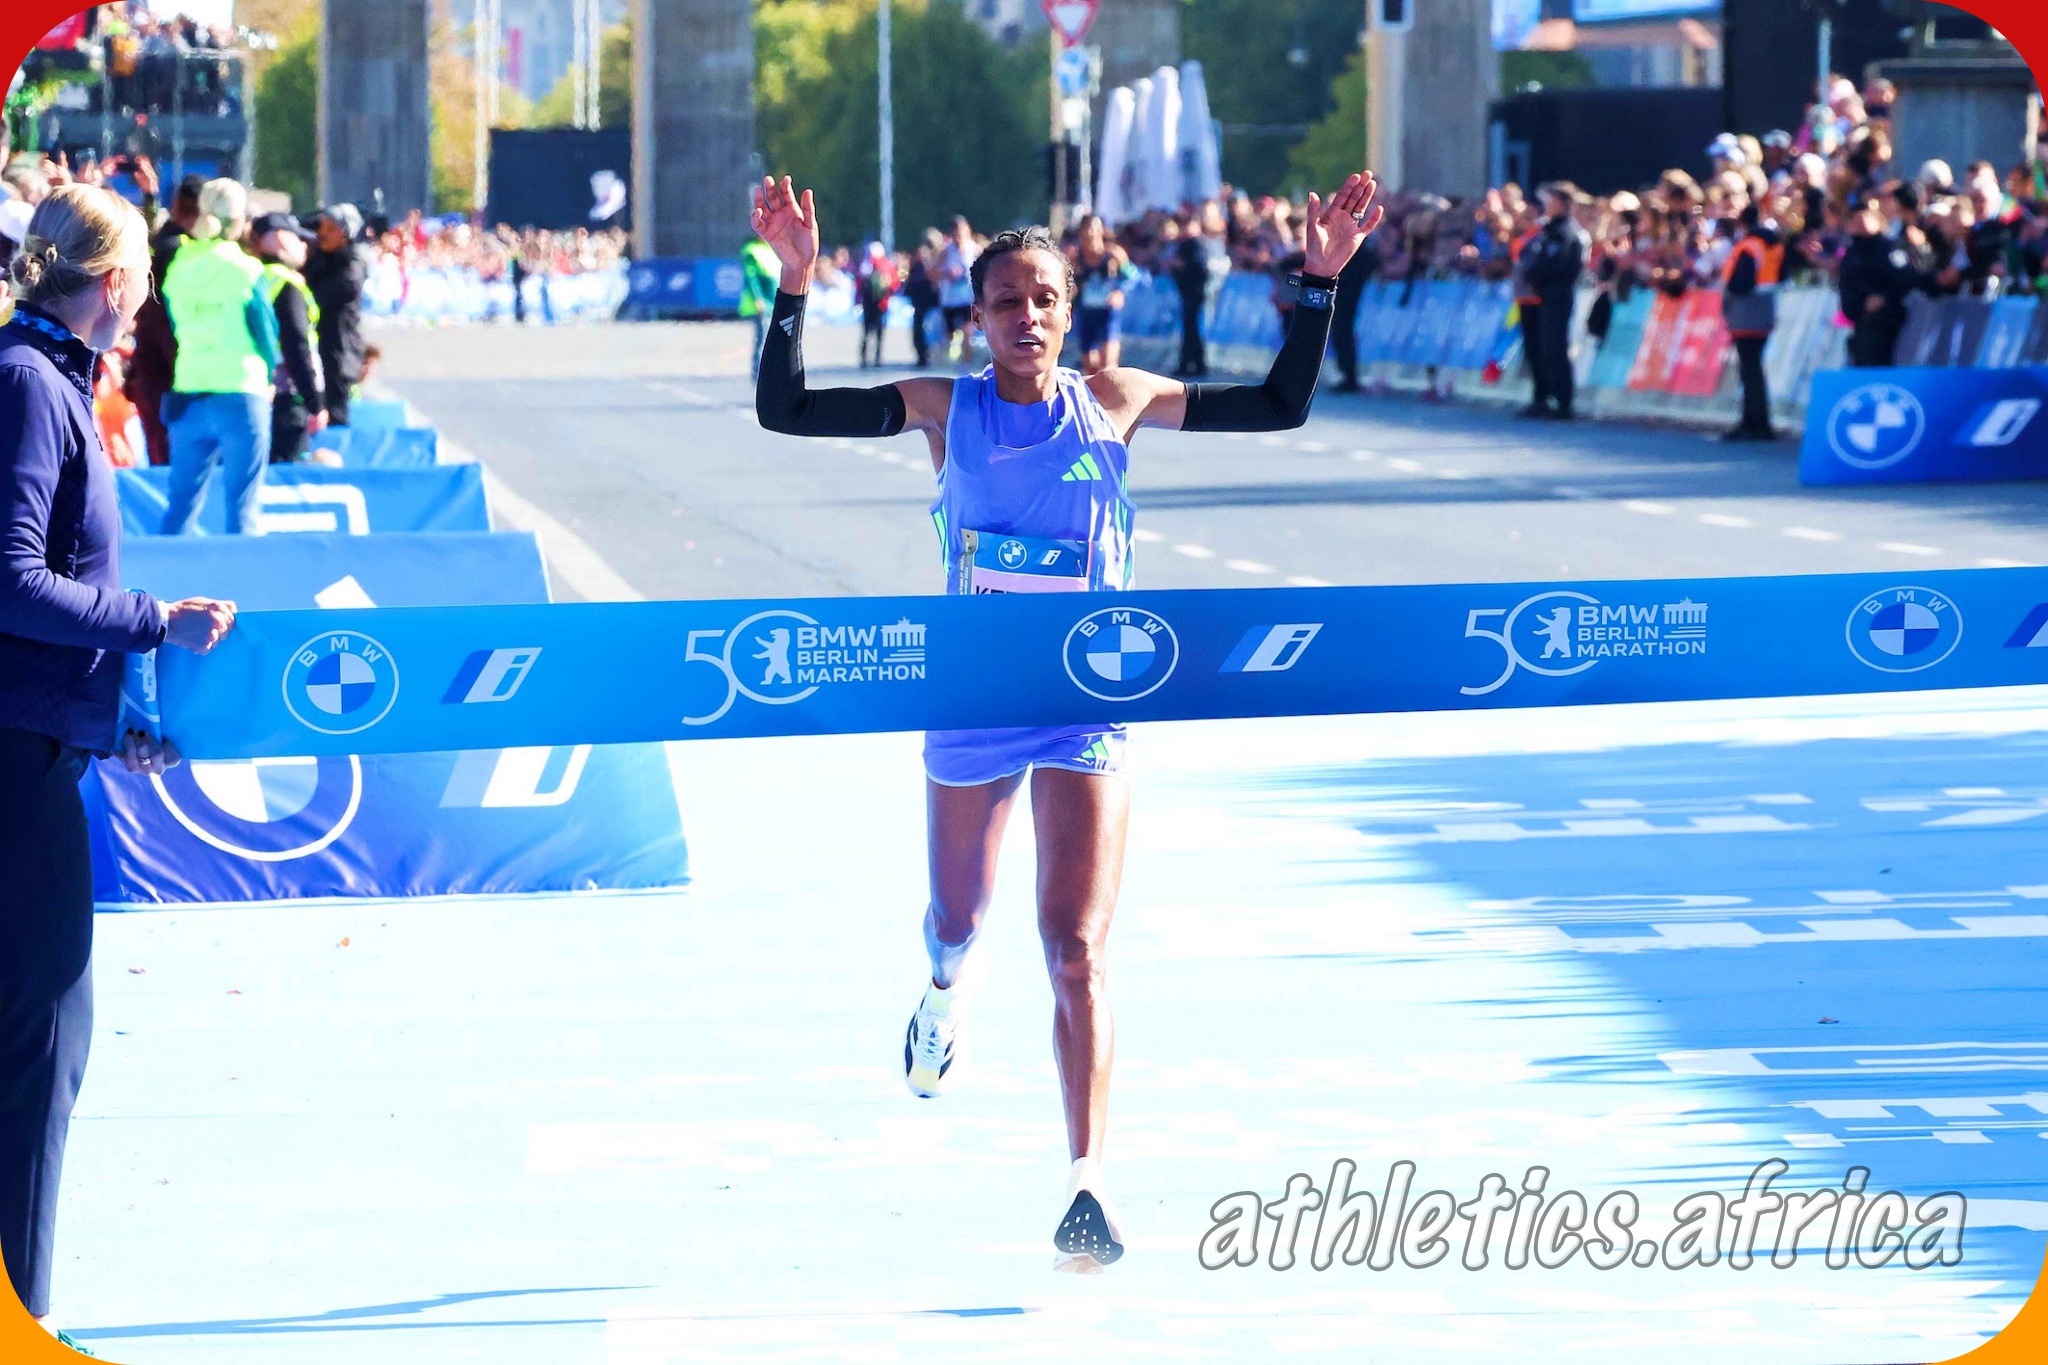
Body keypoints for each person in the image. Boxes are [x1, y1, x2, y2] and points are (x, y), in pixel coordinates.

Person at [751, 167, 1384, 1272]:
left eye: (1045, 298)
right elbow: (786, 411)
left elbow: (1278, 405)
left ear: (1069, 308)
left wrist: (1318, 282)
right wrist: (795, 289)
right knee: (959, 918)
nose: (1027, 318)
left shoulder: (1119, 398)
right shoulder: (944, 407)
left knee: (1076, 947)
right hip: (974, 701)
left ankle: (1088, 1183)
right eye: (1006, 302)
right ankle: (942, 993)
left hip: (1087, 702)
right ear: (978, 318)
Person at [1, 183, 236, 1356]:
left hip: (42, 740)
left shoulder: (43, 379)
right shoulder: (29, 387)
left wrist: (121, 717)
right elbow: (11, 583)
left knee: (40, 1034)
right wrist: (153, 623)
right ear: (112, 283)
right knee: (44, 1039)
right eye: (144, 277)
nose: (147, 299)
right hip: (14, 757)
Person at [159, 179, 279, 534]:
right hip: (241, 390)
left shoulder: (178, 265)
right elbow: (266, 335)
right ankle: (245, 586)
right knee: (243, 508)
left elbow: (173, 323)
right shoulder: (247, 269)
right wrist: (270, 374)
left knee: (180, 507)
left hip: (189, 389)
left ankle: (163, 584)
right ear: (238, 220)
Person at [124, 173, 203, 468]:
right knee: (176, 467)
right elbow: (164, 322)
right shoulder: (178, 252)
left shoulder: (166, 244)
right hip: (169, 377)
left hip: (155, 373)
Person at [249, 211, 327, 463]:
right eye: (299, 239)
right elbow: (297, 346)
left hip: (251, 392)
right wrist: (315, 402)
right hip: (287, 399)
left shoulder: (248, 277)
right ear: (282, 239)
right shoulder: (287, 284)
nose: (305, 246)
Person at [1519, 183, 1588, 420]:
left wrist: (1539, 274)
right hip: (1536, 296)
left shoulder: (1569, 234)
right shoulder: (1544, 230)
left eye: (1552, 200)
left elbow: (1562, 265)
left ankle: (1563, 401)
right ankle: (1542, 397)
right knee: (1537, 347)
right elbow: (1527, 255)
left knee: (1555, 347)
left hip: (1557, 295)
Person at [1720, 203, 1785, 441]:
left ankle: (1753, 421)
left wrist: (1729, 291)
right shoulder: (1773, 246)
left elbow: (1740, 283)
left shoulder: (1748, 247)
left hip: (1745, 314)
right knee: (1754, 368)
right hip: (1764, 310)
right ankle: (1759, 421)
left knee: (1749, 370)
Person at [305, 202, 367, 428]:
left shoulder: (351, 267)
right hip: (320, 349)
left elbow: (317, 297)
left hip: (338, 354)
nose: (322, 234)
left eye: (331, 229)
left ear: (345, 235)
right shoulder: (319, 259)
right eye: (322, 228)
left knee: (335, 418)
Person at [1840, 199, 1918, 368]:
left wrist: (1884, 297)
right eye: (1854, 219)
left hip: (1885, 320)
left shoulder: (1888, 248)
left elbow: (1906, 278)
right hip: (1860, 321)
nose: (1859, 223)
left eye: (1863, 218)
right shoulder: (1852, 252)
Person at [1071, 216, 1136, 376]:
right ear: (1081, 231)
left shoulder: (1113, 253)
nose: (1091, 233)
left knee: (1108, 366)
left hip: (1107, 313)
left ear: (1101, 230)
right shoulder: (1076, 257)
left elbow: (1133, 276)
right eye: (1087, 228)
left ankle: (1111, 399)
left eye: (1095, 228)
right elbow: (1067, 281)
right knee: (1090, 367)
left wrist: (1120, 291)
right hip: (1087, 313)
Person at [937, 216, 980, 363]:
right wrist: (946, 273)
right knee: (950, 335)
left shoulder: (975, 249)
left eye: (961, 234)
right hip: (949, 300)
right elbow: (931, 272)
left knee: (968, 331)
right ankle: (949, 361)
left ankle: (965, 364)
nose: (958, 238)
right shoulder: (946, 252)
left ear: (968, 232)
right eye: (955, 235)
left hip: (968, 298)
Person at [739, 233, 780, 380]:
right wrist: (758, 299)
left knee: (775, 339)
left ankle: (771, 371)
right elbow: (751, 277)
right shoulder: (751, 251)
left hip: (774, 301)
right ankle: (758, 372)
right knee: (762, 338)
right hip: (761, 303)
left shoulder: (772, 249)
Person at [855, 240, 899, 369]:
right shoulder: (887, 265)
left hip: (868, 303)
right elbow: (894, 283)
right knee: (879, 332)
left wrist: (858, 299)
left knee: (866, 331)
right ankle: (877, 358)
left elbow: (859, 284)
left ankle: (864, 358)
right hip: (882, 303)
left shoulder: (866, 265)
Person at [904, 230, 943, 368]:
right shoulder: (922, 258)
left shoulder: (939, 257)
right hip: (924, 299)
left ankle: (928, 355)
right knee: (922, 328)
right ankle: (923, 356)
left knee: (927, 329)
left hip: (930, 299)